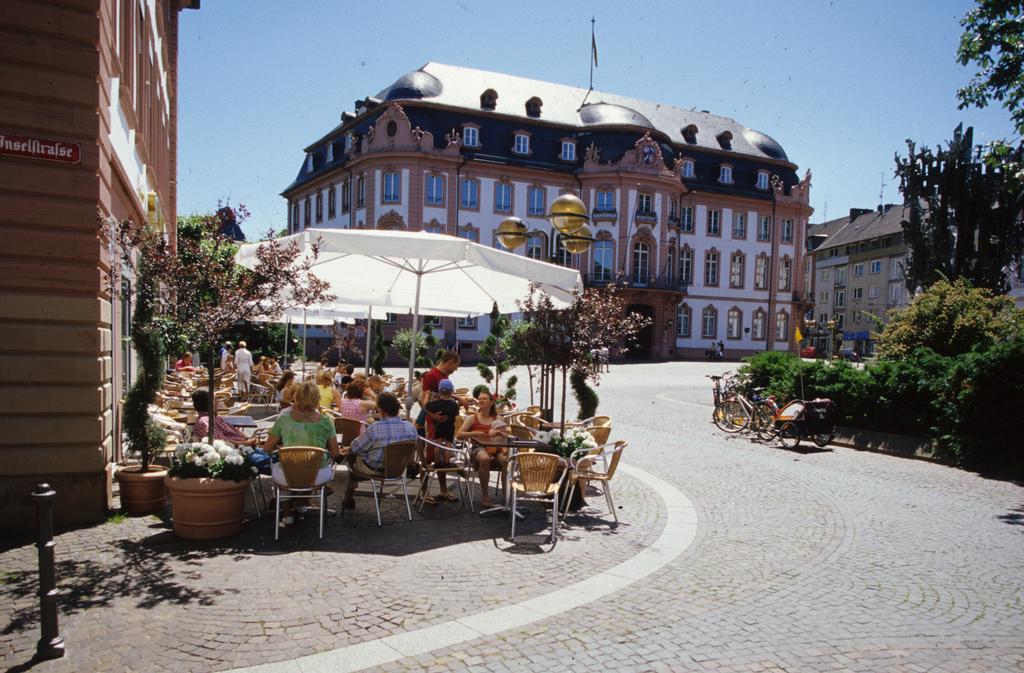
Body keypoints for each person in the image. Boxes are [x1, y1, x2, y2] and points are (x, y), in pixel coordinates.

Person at [263, 380, 339, 526]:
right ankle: (302, 502)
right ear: (317, 398)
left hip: (288, 474)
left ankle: (287, 512)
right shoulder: (326, 421)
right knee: (311, 466)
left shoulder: (284, 419)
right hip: (317, 474)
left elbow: (266, 448)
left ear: (296, 396)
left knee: (282, 472)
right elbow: (335, 453)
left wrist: (284, 447)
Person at [343, 392, 419, 509]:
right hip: (398, 469)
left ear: (381, 411)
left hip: (375, 469)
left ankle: (349, 494)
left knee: (351, 456)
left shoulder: (375, 428)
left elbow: (356, 447)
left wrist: (349, 450)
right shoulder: (410, 427)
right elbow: (413, 448)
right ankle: (350, 492)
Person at [456, 389, 508, 508]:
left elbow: (504, 439)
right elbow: (459, 435)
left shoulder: (498, 418)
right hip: (478, 448)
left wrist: (499, 435)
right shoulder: (473, 418)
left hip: (496, 448)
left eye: (484, 398)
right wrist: (475, 433)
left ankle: (506, 495)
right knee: (485, 459)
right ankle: (485, 495)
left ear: (491, 402)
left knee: (506, 461)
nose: (481, 400)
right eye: (479, 399)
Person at [423, 379, 461, 504]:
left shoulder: (434, 405)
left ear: (439, 391)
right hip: (449, 429)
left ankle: (438, 463)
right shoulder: (454, 405)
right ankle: (446, 462)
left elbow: (425, 405)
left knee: (437, 445)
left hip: (437, 430)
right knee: (448, 445)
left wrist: (427, 396)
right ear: (452, 391)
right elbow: (456, 412)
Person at [419, 350, 461, 437]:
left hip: (443, 425)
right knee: (432, 448)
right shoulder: (431, 375)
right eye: (456, 366)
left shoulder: (444, 374)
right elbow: (422, 400)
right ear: (450, 362)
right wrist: (433, 416)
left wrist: (458, 398)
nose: (456, 369)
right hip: (433, 425)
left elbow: (443, 394)